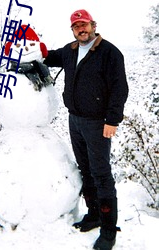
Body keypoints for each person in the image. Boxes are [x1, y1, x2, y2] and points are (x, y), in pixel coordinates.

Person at [44, 9, 128, 250]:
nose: (81, 29)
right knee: (86, 169)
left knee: (101, 173)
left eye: (84, 24)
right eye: (76, 26)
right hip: (75, 120)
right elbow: (49, 57)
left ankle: (109, 231)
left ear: (93, 24)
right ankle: (94, 214)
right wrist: (33, 48)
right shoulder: (70, 51)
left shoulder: (109, 52)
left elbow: (119, 88)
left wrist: (112, 120)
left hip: (98, 123)